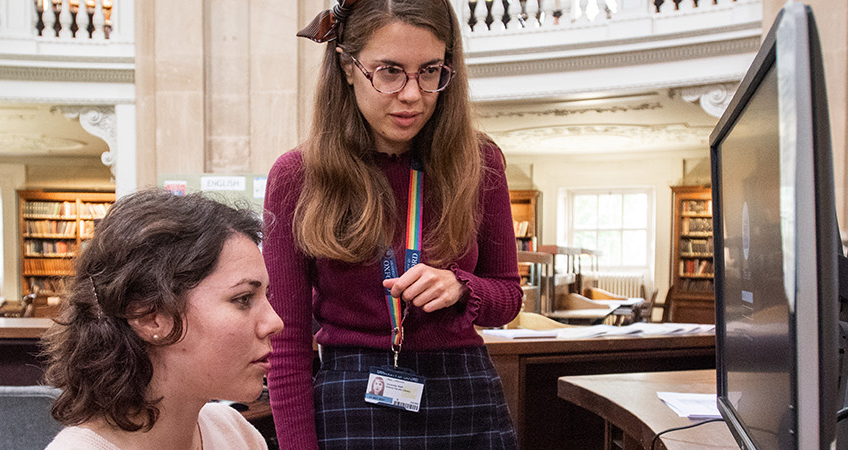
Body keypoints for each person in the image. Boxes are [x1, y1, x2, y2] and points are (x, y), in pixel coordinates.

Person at [263, 0, 524, 448]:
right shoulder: (296, 176)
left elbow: (508, 297)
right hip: (351, 394)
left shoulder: (480, 162)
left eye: (430, 71)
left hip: (464, 391)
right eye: (388, 71)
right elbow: (286, 345)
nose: (412, 95)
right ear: (347, 66)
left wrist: (463, 288)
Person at [40, 190, 282, 450]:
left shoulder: (236, 434)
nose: (275, 322)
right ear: (149, 316)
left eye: (265, 296)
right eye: (243, 299)